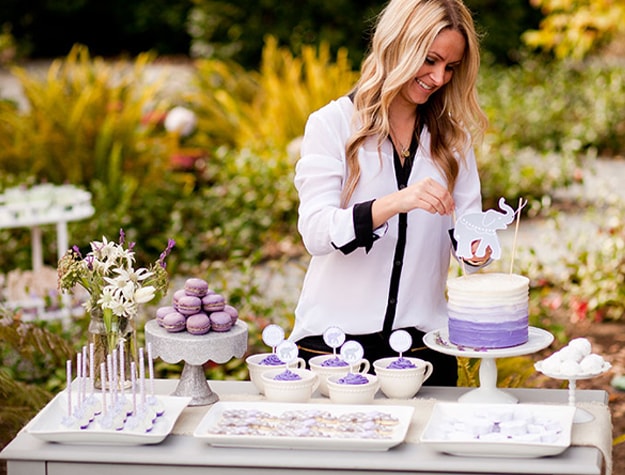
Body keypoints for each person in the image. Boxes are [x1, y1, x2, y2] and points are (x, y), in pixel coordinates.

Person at [289, 0, 493, 386]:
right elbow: (315, 232)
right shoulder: (331, 125)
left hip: (425, 353)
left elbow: (471, 245)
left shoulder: (453, 141)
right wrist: (396, 202)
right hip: (333, 348)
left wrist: (477, 252)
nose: (438, 78)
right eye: (429, 60)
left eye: (450, 67)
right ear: (398, 45)